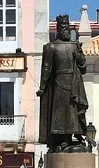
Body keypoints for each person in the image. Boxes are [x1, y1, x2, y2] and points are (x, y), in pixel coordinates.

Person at [37, 14, 89, 152]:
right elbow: (47, 68)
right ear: (58, 29)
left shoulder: (75, 46)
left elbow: (84, 68)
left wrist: (80, 58)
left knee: (73, 112)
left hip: (74, 83)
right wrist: (42, 87)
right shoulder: (51, 47)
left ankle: (74, 137)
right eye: (63, 26)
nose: (65, 28)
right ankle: (61, 140)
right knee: (60, 114)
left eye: (67, 25)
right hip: (58, 83)